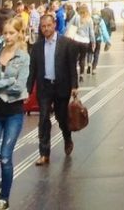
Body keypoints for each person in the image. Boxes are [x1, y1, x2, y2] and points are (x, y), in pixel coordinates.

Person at [0, 17, 30, 210]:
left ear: (19, 34)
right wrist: (8, 81)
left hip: (13, 112)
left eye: (12, 33)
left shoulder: (23, 57)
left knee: (5, 156)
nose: (8, 37)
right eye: (5, 33)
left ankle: (5, 197)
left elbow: (20, 88)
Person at [27, 12, 79, 166]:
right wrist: (28, 90)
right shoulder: (36, 47)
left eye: (49, 25)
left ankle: (67, 137)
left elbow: (71, 67)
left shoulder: (66, 43)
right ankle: (44, 153)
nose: (46, 29)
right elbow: (32, 70)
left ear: (54, 25)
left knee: (61, 117)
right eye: (43, 26)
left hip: (61, 86)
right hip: (44, 87)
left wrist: (74, 86)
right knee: (43, 119)